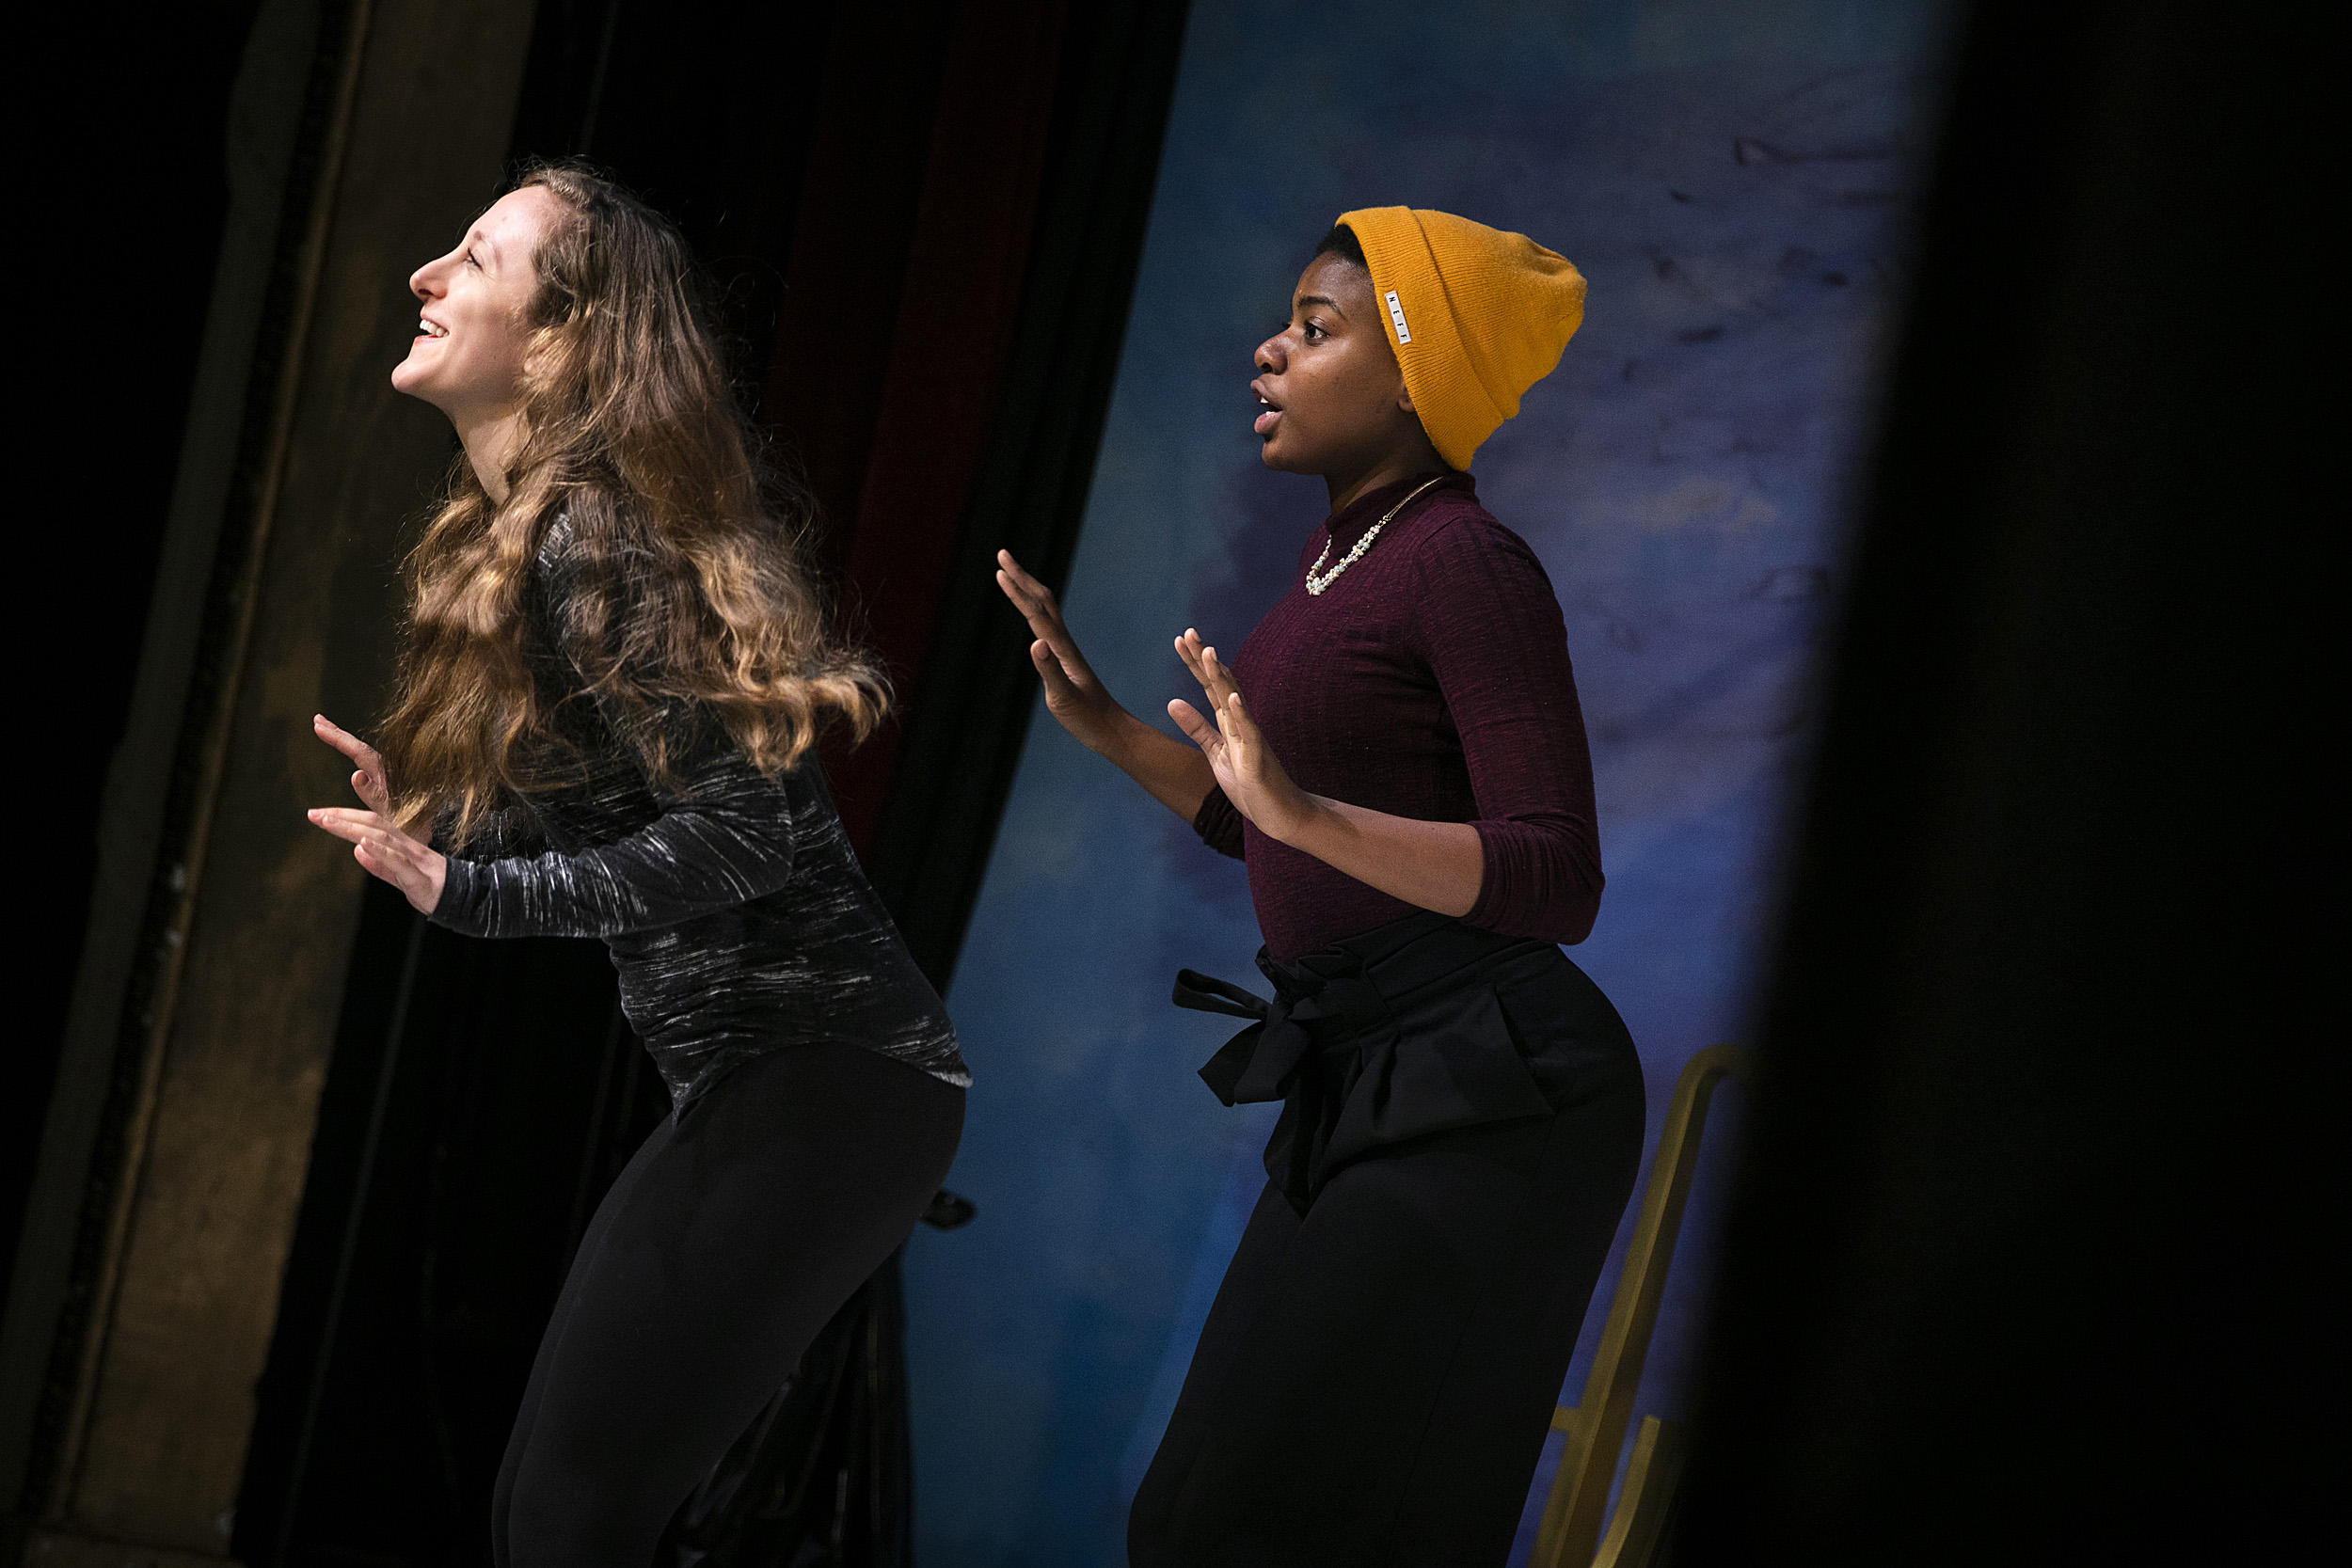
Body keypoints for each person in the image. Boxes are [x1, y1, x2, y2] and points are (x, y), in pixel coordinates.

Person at [304, 162, 967, 1565]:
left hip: (833, 1078)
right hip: (784, 1083)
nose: (424, 275)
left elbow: (752, 830)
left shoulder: (594, 537)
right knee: (542, 1512)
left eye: (473, 260)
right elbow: (642, 812)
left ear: (560, 339)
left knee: (568, 1520)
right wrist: (451, 825)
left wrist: (472, 893)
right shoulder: (537, 533)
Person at [997, 208, 1645, 1564]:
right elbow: (1275, 835)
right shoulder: (1331, 570)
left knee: (1282, 1523)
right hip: (1366, 1071)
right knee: (1185, 1520)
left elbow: (1554, 872)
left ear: (1415, 372)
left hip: (1499, 1085)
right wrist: (1109, 724)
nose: (1267, 352)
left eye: (1314, 327)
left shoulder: (1464, 562)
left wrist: (1300, 807)